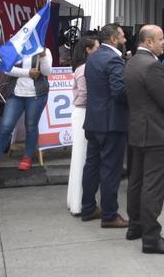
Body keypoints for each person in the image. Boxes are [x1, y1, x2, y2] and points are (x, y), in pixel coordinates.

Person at [124, 25, 164, 254]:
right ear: (148, 41)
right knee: (153, 185)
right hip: (156, 132)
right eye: (160, 39)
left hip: (138, 130)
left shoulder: (132, 62)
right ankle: (151, 238)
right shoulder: (152, 66)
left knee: (137, 181)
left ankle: (135, 226)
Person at [79, 24, 129, 228]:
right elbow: (119, 91)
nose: (126, 39)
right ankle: (109, 215)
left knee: (92, 165)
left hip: (94, 120)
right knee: (111, 169)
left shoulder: (93, 58)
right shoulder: (114, 59)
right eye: (123, 36)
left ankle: (88, 207)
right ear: (114, 39)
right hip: (111, 123)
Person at [0, 44, 53, 173]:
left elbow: (47, 72)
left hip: (36, 95)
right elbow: (6, 69)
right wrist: (28, 73)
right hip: (15, 94)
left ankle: (27, 157)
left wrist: (42, 56)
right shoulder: (15, 49)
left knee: (31, 126)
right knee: (6, 126)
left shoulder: (44, 50)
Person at [67, 35, 98, 215]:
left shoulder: (80, 67)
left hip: (80, 112)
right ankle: (78, 203)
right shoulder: (85, 68)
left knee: (79, 158)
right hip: (83, 112)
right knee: (82, 159)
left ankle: (75, 201)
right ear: (88, 50)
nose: (99, 50)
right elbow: (84, 94)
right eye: (96, 47)